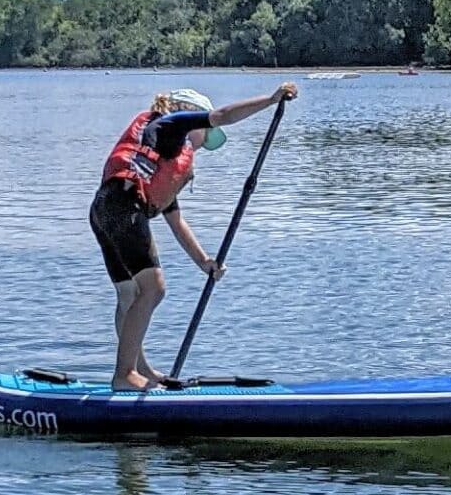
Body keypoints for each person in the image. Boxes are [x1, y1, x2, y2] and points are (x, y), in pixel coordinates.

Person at [90, 83, 298, 391]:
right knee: (154, 289)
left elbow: (176, 222)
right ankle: (124, 375)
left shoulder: (160, 154)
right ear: (189, 113)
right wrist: (270, 100)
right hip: (122, 207)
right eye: (205, 134)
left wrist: (205, 262)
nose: (203, 143)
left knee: (129, 295)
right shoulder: (173, 124)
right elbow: (224, 115)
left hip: (104, 208)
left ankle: (138, 370)